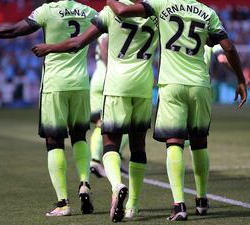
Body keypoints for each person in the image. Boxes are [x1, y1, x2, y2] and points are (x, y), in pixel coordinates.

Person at [0, 0, 97, 217]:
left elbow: (12, 31)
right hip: (81, 84)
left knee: (54, 141)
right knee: (79, 137)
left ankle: (62, 203)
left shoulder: (47, 10)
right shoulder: (88, 11)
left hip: (54, 85)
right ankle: (84, 183)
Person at [106, 0, 247, 221]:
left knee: (174, 143)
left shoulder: (162, 5)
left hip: (171, 84)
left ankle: (179, 204)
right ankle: (201, 200)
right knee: (200, 142)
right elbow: (228, 47)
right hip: (199, 85)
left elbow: (123, 10)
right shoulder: (208, 12)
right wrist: (241, 79)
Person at [32, 0, 159, 222]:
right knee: (138, 145)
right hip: (145, 85)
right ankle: (133, 206)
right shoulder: (158, 11)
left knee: (109, 140)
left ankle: (116, 184)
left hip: (116, 84)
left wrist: (49, 47)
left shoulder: (110, 12)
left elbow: (78, 43)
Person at [89, 34, 129, 178]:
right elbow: (105, 44)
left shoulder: (103, 27)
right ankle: (110, 158)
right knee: (124, 122)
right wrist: (111, 69)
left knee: (100, 123)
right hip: (110, 79)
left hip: (97, 78)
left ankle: (96, 161)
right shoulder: (114, 25)